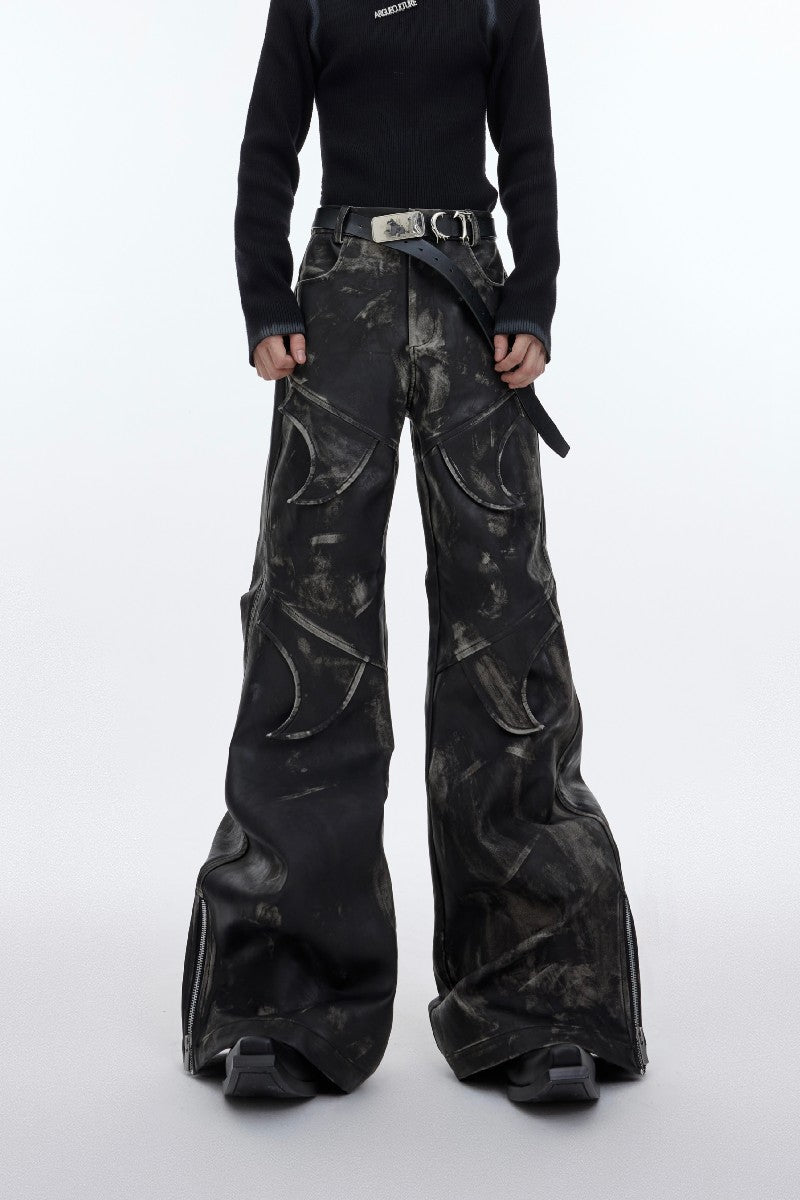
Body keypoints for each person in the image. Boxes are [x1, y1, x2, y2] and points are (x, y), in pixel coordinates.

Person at [180, 0, 648, 1105]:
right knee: (309, 636)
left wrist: (533, 293)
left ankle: (540, 1000)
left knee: (504, 630)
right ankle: (282, 1002)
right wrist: (264, 298)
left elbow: (527, 147)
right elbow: (267, 148)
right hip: (333, 306)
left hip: (473, 301)